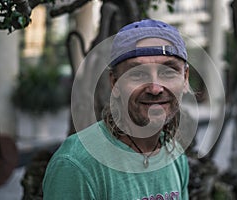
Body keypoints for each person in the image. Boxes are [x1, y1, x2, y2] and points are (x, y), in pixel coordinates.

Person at [43, 19, 191, 200]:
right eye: (137, 73)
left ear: (185, 78)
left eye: (169, 72)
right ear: (115, 82)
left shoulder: (175, 155)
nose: (155, 88)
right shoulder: (77, 164)